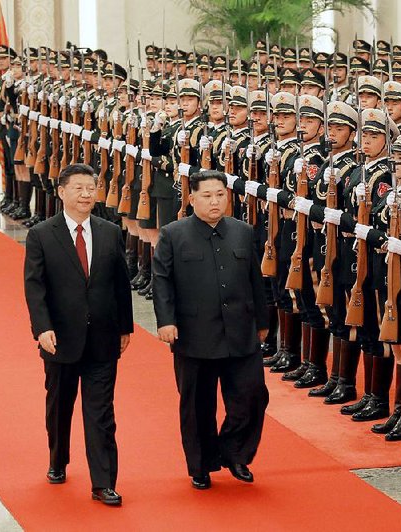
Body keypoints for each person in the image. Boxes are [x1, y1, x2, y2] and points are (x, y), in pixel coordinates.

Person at [23, 163, 134, 506]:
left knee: (101, 412)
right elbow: (35, 287)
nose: (86, 195)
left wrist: (125, 327)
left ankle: (103, 482)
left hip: (103, 338)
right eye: (79, 188)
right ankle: (58, 459)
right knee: (59, 406)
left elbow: (120, 284)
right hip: (60, 338)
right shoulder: (42, 234)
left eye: (91, 188)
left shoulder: (110, 231)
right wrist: (42, 328)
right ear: (62, 192)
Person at [152, 170, 270, 490]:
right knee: (197, 405)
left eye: (220, 194)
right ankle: (201, 464)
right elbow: (162, 281)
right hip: (194, 334)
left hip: (240, 332)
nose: (215, 201)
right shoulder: (173, 234)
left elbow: (255, 282)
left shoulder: (243, 232)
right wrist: (166, 320)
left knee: (252, 396)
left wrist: (262, 322)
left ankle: (234, 453)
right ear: (192, 199)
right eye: (207, 195)